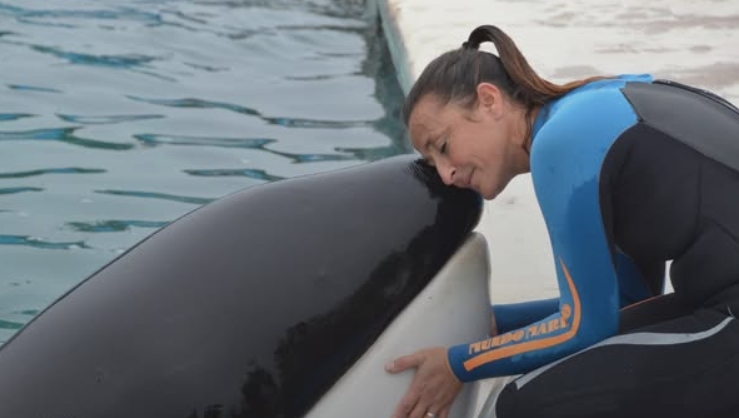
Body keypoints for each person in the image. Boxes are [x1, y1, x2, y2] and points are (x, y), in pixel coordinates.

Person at [384, 24, 739, 418]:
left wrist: (459, 364)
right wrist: (492, 323)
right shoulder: (587, 113)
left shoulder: (561, 142)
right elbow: (627, 300)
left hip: (728, 312)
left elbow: (582, 326)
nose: (446, 174)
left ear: (489, 101)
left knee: (521, 404)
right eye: (433, 163)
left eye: (443, 146)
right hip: (719, 304)